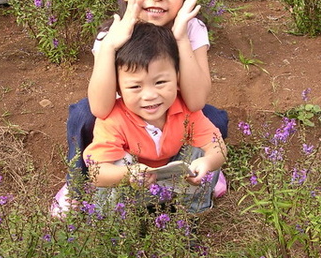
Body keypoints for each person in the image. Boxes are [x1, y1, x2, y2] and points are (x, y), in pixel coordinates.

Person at [66, 0, 229, 179]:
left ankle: (194, 168)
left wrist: (181, 38)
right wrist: (110, 46)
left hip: (172, 112)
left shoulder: (192, 30)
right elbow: (101, 107)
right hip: (125, 119)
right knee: (82, 115)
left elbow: (195, 102)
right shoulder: (113, 34)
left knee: (214, 118)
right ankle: (76, 182)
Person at [82, 22, 227, 214]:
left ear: (177, 78)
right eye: (135, 87)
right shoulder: (113, 119)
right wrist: (128, 174)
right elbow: (96, 172)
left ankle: (192, 215)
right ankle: (116, 230)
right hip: (133, 189)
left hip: (177, 183)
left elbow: (218, 148)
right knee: (112, 171)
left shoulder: (186, 111)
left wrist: (207, 163)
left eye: (160, 82)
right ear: (117, 87)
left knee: (201, 154)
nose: (150, 95)